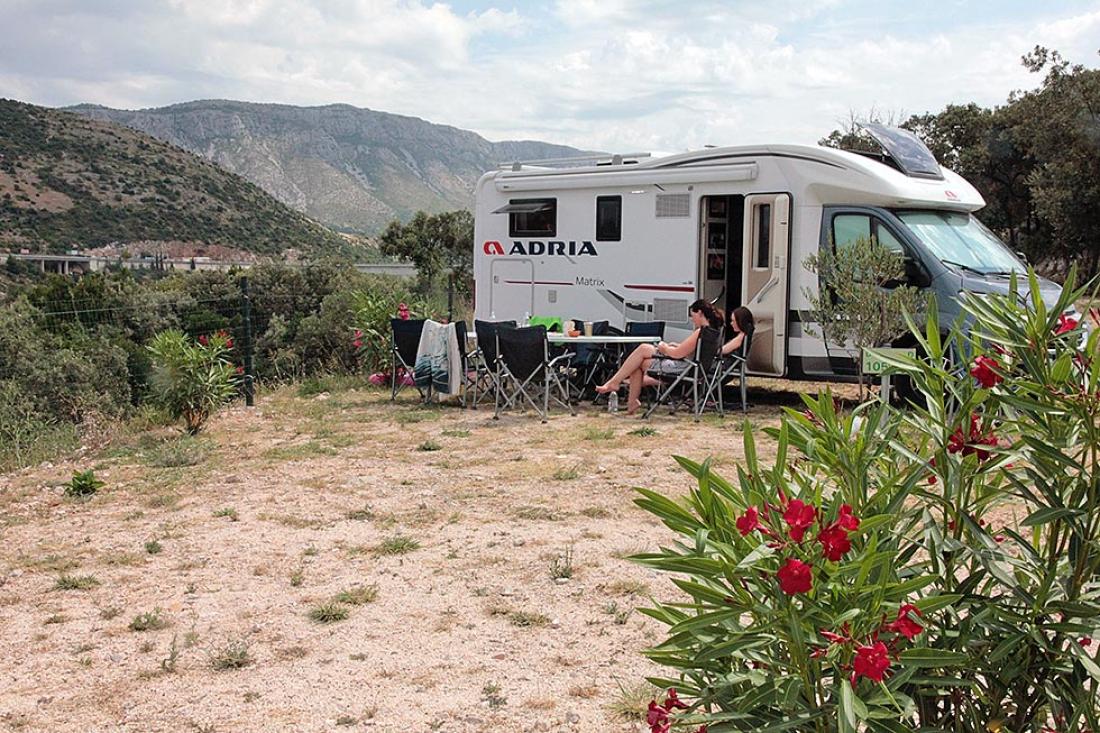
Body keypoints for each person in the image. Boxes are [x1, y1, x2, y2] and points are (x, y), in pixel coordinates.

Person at [596, 300, 739, 415]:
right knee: (640, 357)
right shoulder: (714, 332)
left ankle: (618, 386)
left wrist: (664, 347)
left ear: (700, 313)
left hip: (683, 369)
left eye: (692, 315)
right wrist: (675, 346)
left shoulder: (701, 331)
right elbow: (691, 350)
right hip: (695, 368)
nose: (692, 319)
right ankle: (628, 397)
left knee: (642, 353)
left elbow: (677, 354)